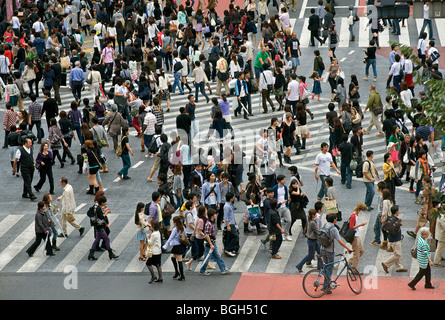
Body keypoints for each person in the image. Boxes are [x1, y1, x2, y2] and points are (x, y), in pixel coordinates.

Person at [320, 213, 353, 294]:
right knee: (330, 268)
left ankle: (325, 284)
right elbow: (340, 241)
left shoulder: (324, 225)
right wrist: (348, 248)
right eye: (336, 218)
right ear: (334, 220)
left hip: (322, 249)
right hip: (329, 250)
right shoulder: (333, 228)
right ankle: (326, 286)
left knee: (325, 268)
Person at [87, 195, 119, 260]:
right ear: (102, 203)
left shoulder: (95, 206)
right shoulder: (98, 208)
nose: (105, 204)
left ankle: (91, 254)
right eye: (104, 202)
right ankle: (110, 253)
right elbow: (102, 217)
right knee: (107, 239)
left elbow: (91, 213)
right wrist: (106, 212)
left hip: (96, 225)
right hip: (100, 225)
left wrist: (99, 214)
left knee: (96, 240)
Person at [200, 208, 230, 275]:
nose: (216, 215)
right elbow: (207, 235)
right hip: (209, 243)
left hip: (212, 242)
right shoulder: (208, 224)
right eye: (215, 214)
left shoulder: (212, 222)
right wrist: (211, 244)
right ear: (212, 216)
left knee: (216, 256)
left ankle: (223, 268)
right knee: (207, 257)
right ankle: (203, 270)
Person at [381, 205, 408, 273]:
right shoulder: (396, 221)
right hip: (395, 239)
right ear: (396, 212)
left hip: (392, 238)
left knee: (399, 253)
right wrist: (399, 224)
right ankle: (386, 263)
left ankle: (399, 267)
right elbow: (397, 229)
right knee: (397, 254)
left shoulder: (391, 219)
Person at [163, 216, 187, 281]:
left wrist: (165, 245)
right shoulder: (183, 228)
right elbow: (185, 236)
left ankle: (182, 275)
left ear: (175, 222)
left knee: (179, 260)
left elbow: (170, 238)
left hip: (177, 246)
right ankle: (177, 272)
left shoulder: (175, 229)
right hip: (182, 245)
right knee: (173, 257)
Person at [348, 203, 368, 272]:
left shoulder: (355, 215)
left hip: (357, 235)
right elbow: (351, 227)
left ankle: (350, 262)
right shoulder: (353, 216)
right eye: (362, 210)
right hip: (354, 237)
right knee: (356, 254)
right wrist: (360, 225)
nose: (362, 212)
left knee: (361, 251)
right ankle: (354, 270)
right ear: (359, 209)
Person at [223, 192, 239, 257]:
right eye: (233, 197)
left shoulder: (230, 205)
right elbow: (226, 217)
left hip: (232, 223)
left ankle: (228, 248)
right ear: (231, 198)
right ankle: (228, 249)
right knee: (235, 236)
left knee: (230, 237)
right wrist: (228, 226)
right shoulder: (227, 206)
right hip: (229, 224)